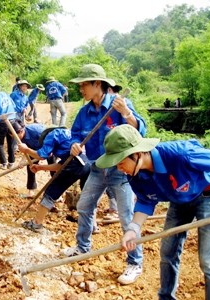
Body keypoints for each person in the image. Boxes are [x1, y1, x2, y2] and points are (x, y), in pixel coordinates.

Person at [96, 124, 210, 300]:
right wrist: (133, 228)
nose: (119, 168)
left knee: (209, 262)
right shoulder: (135, 174)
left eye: (121, 162)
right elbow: (145, 201)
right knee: (168, 253)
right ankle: (166, 297)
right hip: (179, 200)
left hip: (208, 196)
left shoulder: (181, 154)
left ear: (137, 153)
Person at [63, 63, 147, 286]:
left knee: (127, 217)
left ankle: (134, 262)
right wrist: (74, 145)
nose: (81, 89)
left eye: (84, 85)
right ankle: (82, 247)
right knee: (84, 206)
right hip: (97, 168)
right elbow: (74, 135)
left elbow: (141, 130)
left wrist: (126, 114)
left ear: (97, 84)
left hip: (122, 171)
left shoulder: (119, 105)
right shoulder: (84, 112)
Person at [17, 127, 90, 232]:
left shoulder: (52, 135)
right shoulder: (67, 135)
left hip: (75, 164)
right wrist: (40, 168)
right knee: (88, 196)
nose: (50, 153)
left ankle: (36, 224)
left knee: (51, 192)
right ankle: (91, 225)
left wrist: (26, 150)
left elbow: (41, 155)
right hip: (87, 164)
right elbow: (62, 165)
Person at [11, 120, 54, 198]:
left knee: (53, 169)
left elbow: (51, 138)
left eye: (15, 136)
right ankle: (31, 191)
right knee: (31, 167)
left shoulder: (37, 131)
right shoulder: (19, 138)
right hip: (34, 149)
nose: (15, 138)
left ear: (21, 131)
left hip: (48, 147)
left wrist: (51, 150)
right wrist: (23, 161)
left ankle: (57, 194)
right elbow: (26, 149)